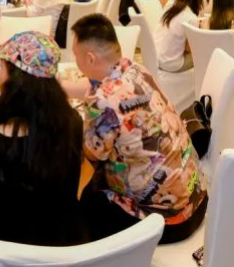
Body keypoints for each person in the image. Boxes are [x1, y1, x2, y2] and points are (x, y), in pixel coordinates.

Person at [71, 14, 207, 244]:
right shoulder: (135, 69)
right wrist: (58, 86)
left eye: (76, 56)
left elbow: (89, 159)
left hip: (168, 221)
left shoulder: (103, 102)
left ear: (90, 58)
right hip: (197, 198)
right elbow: (97, 89)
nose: (75, 61)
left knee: (83, 198)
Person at [0, 31, 86, 264]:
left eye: (1, 67)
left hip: (4, 257)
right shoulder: (73, 123)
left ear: (16, 80)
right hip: (62, 250)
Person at [157, 0, 201, 72]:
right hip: (171, 64)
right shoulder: (191, 18)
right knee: (203, 54)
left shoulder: (170, 3)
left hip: (156, 57)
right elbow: (189, 49)